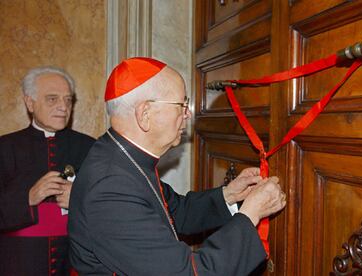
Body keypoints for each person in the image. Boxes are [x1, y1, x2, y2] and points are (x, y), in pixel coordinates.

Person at [68, 57, 286, 275]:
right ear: (145, 114)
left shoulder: (123, 158)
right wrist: (250, 214)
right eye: (181, 105)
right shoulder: (111, 186)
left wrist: (229, 195)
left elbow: (175, 212)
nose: (188, 113)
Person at [0, 66, 96, 276]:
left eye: (68, 100)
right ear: (29, 102)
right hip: (18, 262)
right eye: (52, 99)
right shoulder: (5, 148)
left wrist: (80, 199)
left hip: (75, 260)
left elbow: (112, 204)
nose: (63, 107)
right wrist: (28, 198)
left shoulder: (90, 147)